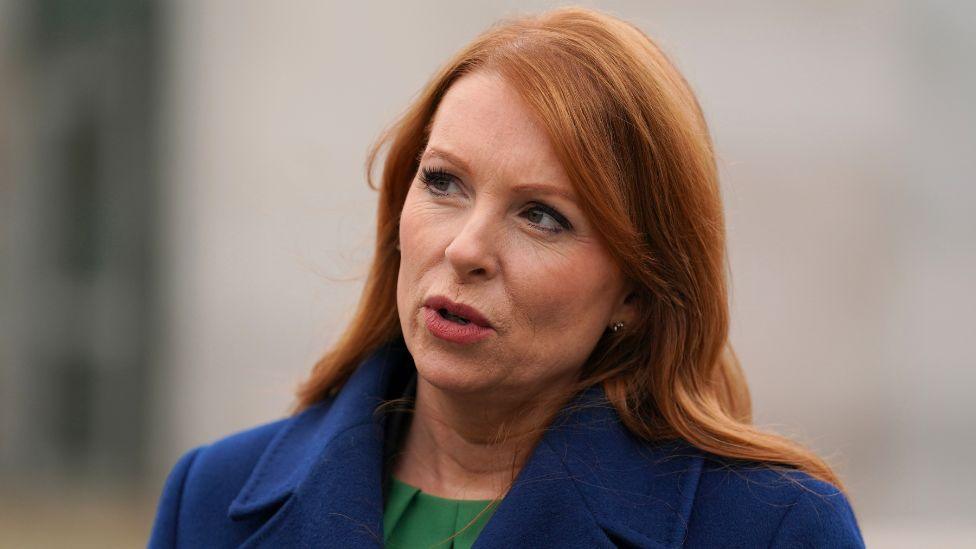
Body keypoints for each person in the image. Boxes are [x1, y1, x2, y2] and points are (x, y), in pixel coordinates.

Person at [149, 7, 864, 548]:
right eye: (443, 181)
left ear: (638, 292)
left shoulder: (772, 529)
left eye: (542, 216)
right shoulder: (210, 498)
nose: (466, 248)